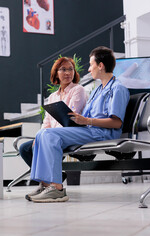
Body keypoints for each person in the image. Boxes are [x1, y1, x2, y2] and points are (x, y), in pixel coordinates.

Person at [28, 46, 130, 203]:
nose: (89, 69)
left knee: (48, 135)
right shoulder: (97, 90)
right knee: (41, 133)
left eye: (91, 64)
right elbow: (87, 117)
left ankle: (57, 189)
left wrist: (86, 121)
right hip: (89, 130)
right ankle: (45, 184)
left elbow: (116, 123)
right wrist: (79, 119)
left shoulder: (118, 89)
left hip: (102, 133)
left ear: (100, 65)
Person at [20, 57, 87, 200]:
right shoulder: (52, 97)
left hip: (69, 133)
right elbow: (47, 122)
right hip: (51, 134)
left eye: (70, 69)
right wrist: (39, 135)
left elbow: (72, 116)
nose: (67, 72)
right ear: (56, 73)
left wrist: (46, 135)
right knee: (25, 148)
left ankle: (53, 184)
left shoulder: (78, 90)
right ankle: (46, 184)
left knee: (46, 138)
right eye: (63, 69)